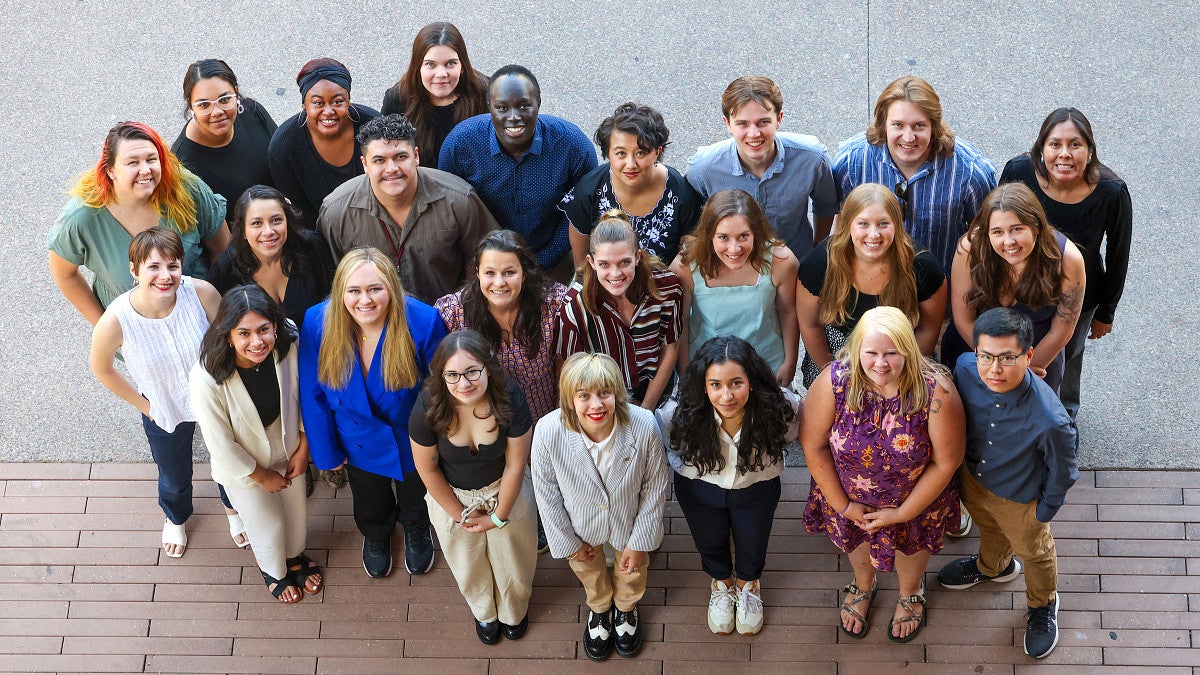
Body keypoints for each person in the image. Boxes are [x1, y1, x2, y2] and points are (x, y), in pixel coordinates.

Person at [802, 306, 965, 642]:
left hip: (914, 502)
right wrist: (844, 507)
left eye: (892, 353)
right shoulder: (834, 382)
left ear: (908, 349)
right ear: (856, 349)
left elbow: (947, 462)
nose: (881, 363)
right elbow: (813, 445)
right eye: (871, 352)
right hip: (849, 498)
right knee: (856, 542)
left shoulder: (936, 391)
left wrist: (903, 513)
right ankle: (863, 585)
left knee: (911, 550)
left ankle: (909, 593)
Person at [937, 308, 1078, 659]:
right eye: (986, 356)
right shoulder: (967, 369)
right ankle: (994, 568)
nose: (994, 369)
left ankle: (1043, 606)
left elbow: (1064, 471)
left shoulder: (1051, 419)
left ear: (1028, 356)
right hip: (973, 481)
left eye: (1007, 358)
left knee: (1035, 553)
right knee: (989, 530)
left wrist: (1042, 513)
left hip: (1021, 500)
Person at [299, 247, 447, 578]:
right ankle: (376, 534)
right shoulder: (317, 322)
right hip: (355, 438)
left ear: (391, 288)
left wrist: (440, 442)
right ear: (341, 292)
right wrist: (326, 453)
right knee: (368, 497)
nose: (364, 301)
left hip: (412, 436)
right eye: (354, 291)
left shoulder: (423, 321)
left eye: (375, 289)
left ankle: (416, 527)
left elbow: (440, 389)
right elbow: (312, 394)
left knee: (415, 492)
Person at [88, 227, 222, 558]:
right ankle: (176, 517)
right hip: (163, 407)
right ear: (134, 271)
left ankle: (234, 510)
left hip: (216, 400)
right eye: (154, 267)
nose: (166, 276)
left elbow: (227, 342)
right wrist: (145, 406)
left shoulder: (202, 293)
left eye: (173, 265)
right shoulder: (116, 320)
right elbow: (102, 369)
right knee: (174, 475)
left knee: (227, 460)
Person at [656, 336, 801, 636]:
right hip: (699, 488)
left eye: (736, 383)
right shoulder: (678, 412)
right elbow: (667, 443)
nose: (726, 396)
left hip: (756, 487)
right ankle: (721, 584)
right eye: (716, 385)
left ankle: (749, 586)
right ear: (703, 385)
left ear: (752, 380)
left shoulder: (780, 406)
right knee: (709, 539)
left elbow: (793, 431)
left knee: (753, 539)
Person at [532, 352, 670, 661]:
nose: (596, 405)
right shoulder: (547, 431)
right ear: (569, 399)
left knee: (633, 569)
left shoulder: (644, 425)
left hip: (629, 519)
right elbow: (547, 494)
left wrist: (639, 542)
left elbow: (655, 487)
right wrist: (568, 542)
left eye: (604, 393)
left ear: (617, 393)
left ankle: (625, 608)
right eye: (584, 396)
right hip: (579, 525)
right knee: (587, 569)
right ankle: (599, 607)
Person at [190, 285, 322, 603]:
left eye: (264, 329)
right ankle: (274, 571)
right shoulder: (206, 377)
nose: (257, 341)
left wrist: (304, 445)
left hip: (287, 442)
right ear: (228, 334)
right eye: (244, 333)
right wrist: (260, 475)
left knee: (294, 515)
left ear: (275, 325)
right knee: (268, 525)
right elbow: (220, 443)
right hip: (243, 464)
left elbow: (304, 393)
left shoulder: (288, 341)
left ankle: (293, 557)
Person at [999, 108, 1132, 418]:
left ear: (1089, 150)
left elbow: (1118, 256)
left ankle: (1064, 418)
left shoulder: (1111, 192)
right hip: (1017, 288)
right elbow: (994, 222)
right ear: (1041, 149)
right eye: (1055, 144)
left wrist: (1106, 313)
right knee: (1009, 348)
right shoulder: (1019, 172)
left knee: (1067, 358)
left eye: (1076, 144)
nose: (1065, 154)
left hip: (1077, 296)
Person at [408, 330, 537, 644]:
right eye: (452, 375)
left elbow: (516, 463)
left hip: (505, 488)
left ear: (487, 368)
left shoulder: (510, 395)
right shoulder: (429, 403)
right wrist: (459, 516)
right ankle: (485, 614)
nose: (463, 384)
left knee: (514, 561)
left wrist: (497, 516)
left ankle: (513, 612)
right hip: (453, 497)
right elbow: (427, 468)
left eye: (472, 372)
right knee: (467, 565)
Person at [49, 121, 231, 325]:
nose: (145, 170)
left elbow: (222, 247)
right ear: (110, 171)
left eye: (151, 159)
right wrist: (104, 326)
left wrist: (216, 311)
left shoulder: (186, 189)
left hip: (199, 324)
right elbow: (65, 274)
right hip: (135, 336)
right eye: (132, 162)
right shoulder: (81, 218)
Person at [317, 114, 497, 304]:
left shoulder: (460, 201)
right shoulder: (335, 212)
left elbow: (491, 263)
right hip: (370, 319)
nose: (392, 168)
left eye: (400, 157)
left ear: (416, 156)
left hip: (446, 321)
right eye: (379, 160)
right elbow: (331, 278)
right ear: (365, 164)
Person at [439, 64, 598, 275]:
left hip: (551, 258)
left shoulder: (572, 146)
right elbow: (449, 209)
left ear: (538, 104)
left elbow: (582, 212)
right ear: (489, 106)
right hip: (485, 263)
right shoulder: (460, 144)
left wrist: (544, 261)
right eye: (502, 108)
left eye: (524, 106)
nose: (513, 117)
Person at [833, 75, 997, 275]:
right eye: (898, 125)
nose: (908, 137)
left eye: (919, 125)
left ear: (934, 126)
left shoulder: (970, 173)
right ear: (883, 123)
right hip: (870, 284)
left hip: (942, 286)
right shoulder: (851, 163)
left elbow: (985, 234)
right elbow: (841, 220)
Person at [796, 183, 946, 388]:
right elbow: (810, 324)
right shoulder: (823, 262)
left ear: (897, 225)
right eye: (863, 224)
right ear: (848, 224)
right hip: (839, 346)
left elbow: (928, 328)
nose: (874, 234)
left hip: (900, 350)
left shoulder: (921, 266)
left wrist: (905, 375)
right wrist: (831, 374)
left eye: (883, 224)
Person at [945, 183, 1086, 393]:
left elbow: (1062, 329)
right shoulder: (969, 249)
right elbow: (964, 318)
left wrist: (1022, 372)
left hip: (1038, 358)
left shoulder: (1067, 259)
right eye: (998, 232)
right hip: (974, 352)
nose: (1008, 241)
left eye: (1017, 229)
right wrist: (990, 366)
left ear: (1036, 227)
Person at [686, 76, 838, 262]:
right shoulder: (703, 168)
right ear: (727, 124)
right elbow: (693, 221)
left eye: (763, 122)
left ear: (779, 119)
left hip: (797, 264)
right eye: (742, 123)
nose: (754, 134)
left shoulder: (812, 158)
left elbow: (826, 205)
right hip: (732, 268)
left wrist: (817, 252)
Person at [435, 229, 569, 422]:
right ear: (477, 273)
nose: (499, 283)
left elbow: (566, 367)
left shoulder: (553, 305)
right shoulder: (453, 313)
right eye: (490, 273)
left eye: (509, 272)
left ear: (524, 274)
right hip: (486, 427)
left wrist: (560, 421)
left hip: (544, 421)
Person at [671, 189, 799, 386]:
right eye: (723, 237)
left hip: (766, 367)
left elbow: (788, 311)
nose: (734, 249)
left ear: (756, 232)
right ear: (709, 235)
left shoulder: (781, 261)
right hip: (708, 371)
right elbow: (681, 323)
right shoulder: (686, 265)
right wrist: (687, 371)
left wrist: (789, 363)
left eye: (743, 236)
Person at [557, 210, 683, 411]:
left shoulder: (668, 287)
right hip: (602, 401)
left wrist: (646, 411)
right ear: (591, 262)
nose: (615, 274)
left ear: (637, 257)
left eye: (624, 262)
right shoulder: (574, 304)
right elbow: (573, 371)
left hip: (655, 394)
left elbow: (670, 348)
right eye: (604, 264)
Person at [561, 102, 701, 266]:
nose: (631, 164)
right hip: (606, 283)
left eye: (641, 152)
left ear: (657, 151)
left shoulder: (680, 193)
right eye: (621, 153)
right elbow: (582, 266)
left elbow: (690, 253)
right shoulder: (589, 191)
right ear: (608, 154)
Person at [268, 58, 379, 229]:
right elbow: (301, 215)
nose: (328, 111)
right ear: (304, 105)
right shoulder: (284, 148)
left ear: (348, 101)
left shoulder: (373, 125)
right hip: (322, 231)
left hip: (377, 221)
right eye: (318, 103)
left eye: (337, 102)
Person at [208, 185, 334, 332]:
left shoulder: (312, 248)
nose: (268, 231)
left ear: (287, 221)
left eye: (276, 220)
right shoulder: (225, 269)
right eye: (257, 223)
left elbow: (335, 304)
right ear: (243, 231)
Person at [172, 59, 277, 222]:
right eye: (204, 105)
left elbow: (286, 163)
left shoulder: (253, 113)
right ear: (190, 105)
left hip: (281, 219)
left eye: (225, 100)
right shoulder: (182, 162)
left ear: (236, 93)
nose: (217, 111)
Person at [380, 21, 489, 170]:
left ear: (462, 65)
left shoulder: (485, 93)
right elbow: (385, 151)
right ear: (418, 66)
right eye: (431, 64)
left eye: (451, 63)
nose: (441, 74)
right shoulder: (397, 98)